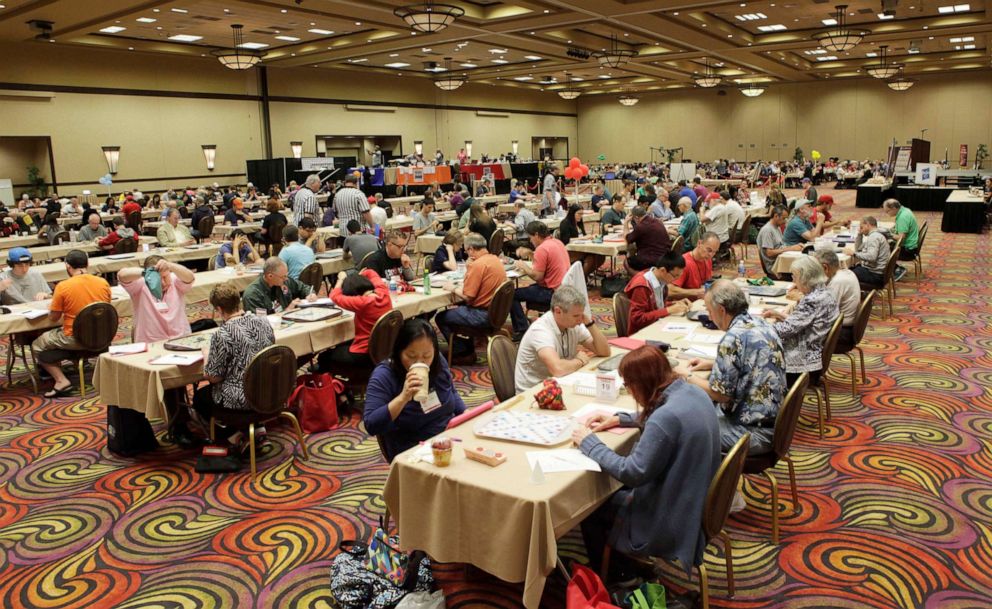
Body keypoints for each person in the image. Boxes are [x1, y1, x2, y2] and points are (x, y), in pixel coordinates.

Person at [572, 346, 720, 579]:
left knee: (591, 507)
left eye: (628, 385)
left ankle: (617, 575)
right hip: (694, 498)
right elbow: (667, 418)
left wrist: (590, 444)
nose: (629, 393)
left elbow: (632, 472)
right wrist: (621, 418)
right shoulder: (692, 392)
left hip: (672, 516)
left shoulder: (665, 418)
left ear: (642, 383)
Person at [681, 279, 787, 453]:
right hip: (772, 421)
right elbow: (750, 362)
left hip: (752, 432)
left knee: (681, 431)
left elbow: (720, 395)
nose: (709, 316)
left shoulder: (732, 338)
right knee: (696, 413)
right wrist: (712, 363)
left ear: (721, 310)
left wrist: (686, 375)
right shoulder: (761, 323)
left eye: (709, 310)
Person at [363, 319, 466, 462]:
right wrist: (403, 397)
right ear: (399, 352)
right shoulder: (385, 375)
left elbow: (451, 391)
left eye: (426, 355)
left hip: (448, 437)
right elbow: (371, 424)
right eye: (411, 356)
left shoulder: (437, 361)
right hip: (413, 450)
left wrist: (466, 415)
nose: (420, 362)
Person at [192, 283, 275, 447]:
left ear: (219, 309)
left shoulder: (222, 334)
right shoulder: (264, 322)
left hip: (244, 399)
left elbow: (213, 377)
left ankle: (235, 437)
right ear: (239, 301)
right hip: (269, 391)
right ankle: (258, 430)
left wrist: (207, 355)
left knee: (200, 398)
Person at [32, 250, 111, 398]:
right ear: (87, 264)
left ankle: (61, 380)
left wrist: (51, 306)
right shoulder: (103, 282)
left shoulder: (63, 286)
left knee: (37, 344)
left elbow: (53, 318)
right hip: (102, 335)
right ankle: (77, 363)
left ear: (67, 266)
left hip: (74, 338)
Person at [762, 257, 840, 389]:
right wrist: (779, 314)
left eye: (795, 277)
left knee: (757, 355)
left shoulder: (812, 300)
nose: (793, 281)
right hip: (814, 352)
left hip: (803, 361)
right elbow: (803, 322)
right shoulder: (825, 292)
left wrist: (756, 325)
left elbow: (784, 330)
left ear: (806, 278)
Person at [514, 286, 610, 393]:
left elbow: (604, 351)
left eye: (581, 315)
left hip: (560, 383)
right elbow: (558, 369)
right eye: (576, 316)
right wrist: (580, 361)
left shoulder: (573, 324)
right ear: (558, 311)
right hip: (533, 393)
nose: (580, 320)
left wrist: (590, 324)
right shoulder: (540, 330)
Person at [434, 232, 507, 360]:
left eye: (467, 251)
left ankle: (461, 351)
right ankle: (465, 346)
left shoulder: (478, 265)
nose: (467, 254)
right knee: (459, 306)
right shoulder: (495, 260)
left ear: (471, 249)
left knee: (441, 317)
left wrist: (453, 288)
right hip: (497, 314)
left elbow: (468, 296)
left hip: (482, 315)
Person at [319, 269, 392, 369]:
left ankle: (332, 383)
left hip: (365, 352)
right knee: (342, 345)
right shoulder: (383, 292)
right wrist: (357, 276)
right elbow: (371, 272)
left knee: (323, 357)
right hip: (384, 350)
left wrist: (341, 279)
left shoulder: (362, 302)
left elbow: (334, 296)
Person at [510, 221, 570, 336]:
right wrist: (531, 254)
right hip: (563, 288)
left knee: (511, 294)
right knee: (527, 289)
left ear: (536, 235)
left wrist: (523, 266)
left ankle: (522, 329)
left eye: (531, 237)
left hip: (551, 292)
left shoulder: (542, 249)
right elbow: (547, 263)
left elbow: (538, 277)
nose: (530, 241)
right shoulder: (557, 242)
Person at [118, 256, 194, 343]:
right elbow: (122, 275)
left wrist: (170, 265)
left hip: (180, 338)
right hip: (151, 342)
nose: (162, 282)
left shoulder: (175, 280)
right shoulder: (140, 284)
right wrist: (148, 272)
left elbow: (190, 277)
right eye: (157, 279)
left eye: (165, 277)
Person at [623, 252, 690, 335]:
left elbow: (657, 305)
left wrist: (674, 304)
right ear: (663, 270)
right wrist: (668, 310)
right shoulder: (642, 286)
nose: (676, 279)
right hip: (641, 333)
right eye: (675, 276)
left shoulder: (660, 279)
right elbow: (637, 318)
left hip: (656, 326)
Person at [813, 249, 860, 347]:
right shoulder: (847, 272)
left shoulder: (838, 281)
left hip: (841, 333)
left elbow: (823, 313)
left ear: (825, 267)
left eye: (816, 269)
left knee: (796, 336)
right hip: (845, 327)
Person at [241, 257, 313, 314]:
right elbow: (260, 324)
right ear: (270, 276)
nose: (286, 279)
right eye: (283, 276)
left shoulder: (285, 282)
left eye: (286, 275)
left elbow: (303, 287)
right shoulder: (253, 294)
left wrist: (310, 294)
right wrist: (286, 312)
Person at [669, 232, 719, 299]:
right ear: (699, 243)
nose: (711, 255)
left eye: (714, 252)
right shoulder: (685, 263)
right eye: (709, 250)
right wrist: (695, 292)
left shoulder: (707, 259)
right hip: (686, 303)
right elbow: (669, 290)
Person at [757, 206, 804, 277]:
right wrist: (791, 248)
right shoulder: (767, 230)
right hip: (775, 267)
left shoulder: (777, 227)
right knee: (802, 271)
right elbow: (769, 253)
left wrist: (794, 246)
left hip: (780, 261)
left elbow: (780, 246)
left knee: (804, 264)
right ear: (776, 216)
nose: (785, 221)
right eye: (783, 218)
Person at [844, 215, 890, 288]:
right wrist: (859, 234)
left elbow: (872, 257)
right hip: (876, 271)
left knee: (843, 275)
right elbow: (859, 249)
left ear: (867, 225)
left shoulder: (874, 237)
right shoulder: (876, 235)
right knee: (848, 269)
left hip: (874, 274)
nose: (860, 229)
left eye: (861, 227)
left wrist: (854, 254)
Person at [624, 206, 672, 272]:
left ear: (636, 218)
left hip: (651, 260)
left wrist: (626, 222)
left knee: (626, 262)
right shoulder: (657, 221)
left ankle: (641, 279)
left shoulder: (641, 226)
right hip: (665, 257)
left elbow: (628, 238)